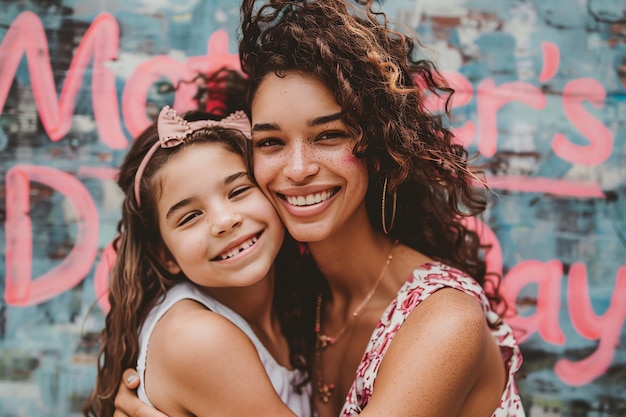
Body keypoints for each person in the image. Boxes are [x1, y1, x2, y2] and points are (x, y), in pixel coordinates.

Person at [113, 0, 526, 416]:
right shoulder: (298, 300)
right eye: (271, 142)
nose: (297, 170)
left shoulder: (443, 321)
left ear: (378, 149)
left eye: (328, 135)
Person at [83, 99, 313, 416]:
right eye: (190, 217)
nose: (224, 221)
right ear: (165, 255)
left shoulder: (299, 300)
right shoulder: (198, 339)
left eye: (238, 191)